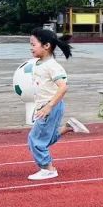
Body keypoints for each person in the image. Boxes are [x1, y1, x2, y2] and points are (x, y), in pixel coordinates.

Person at [26, 28, 90, 180]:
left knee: (34, 140)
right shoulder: (39, 63)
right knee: (43, 138)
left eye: (33, 44)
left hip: (50, 107)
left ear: (46, 46)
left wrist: (48, 107)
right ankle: (69, 127)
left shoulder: (53, 66)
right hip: (45, 107)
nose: (31, 47)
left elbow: (63, 87)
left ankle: (48, 169)